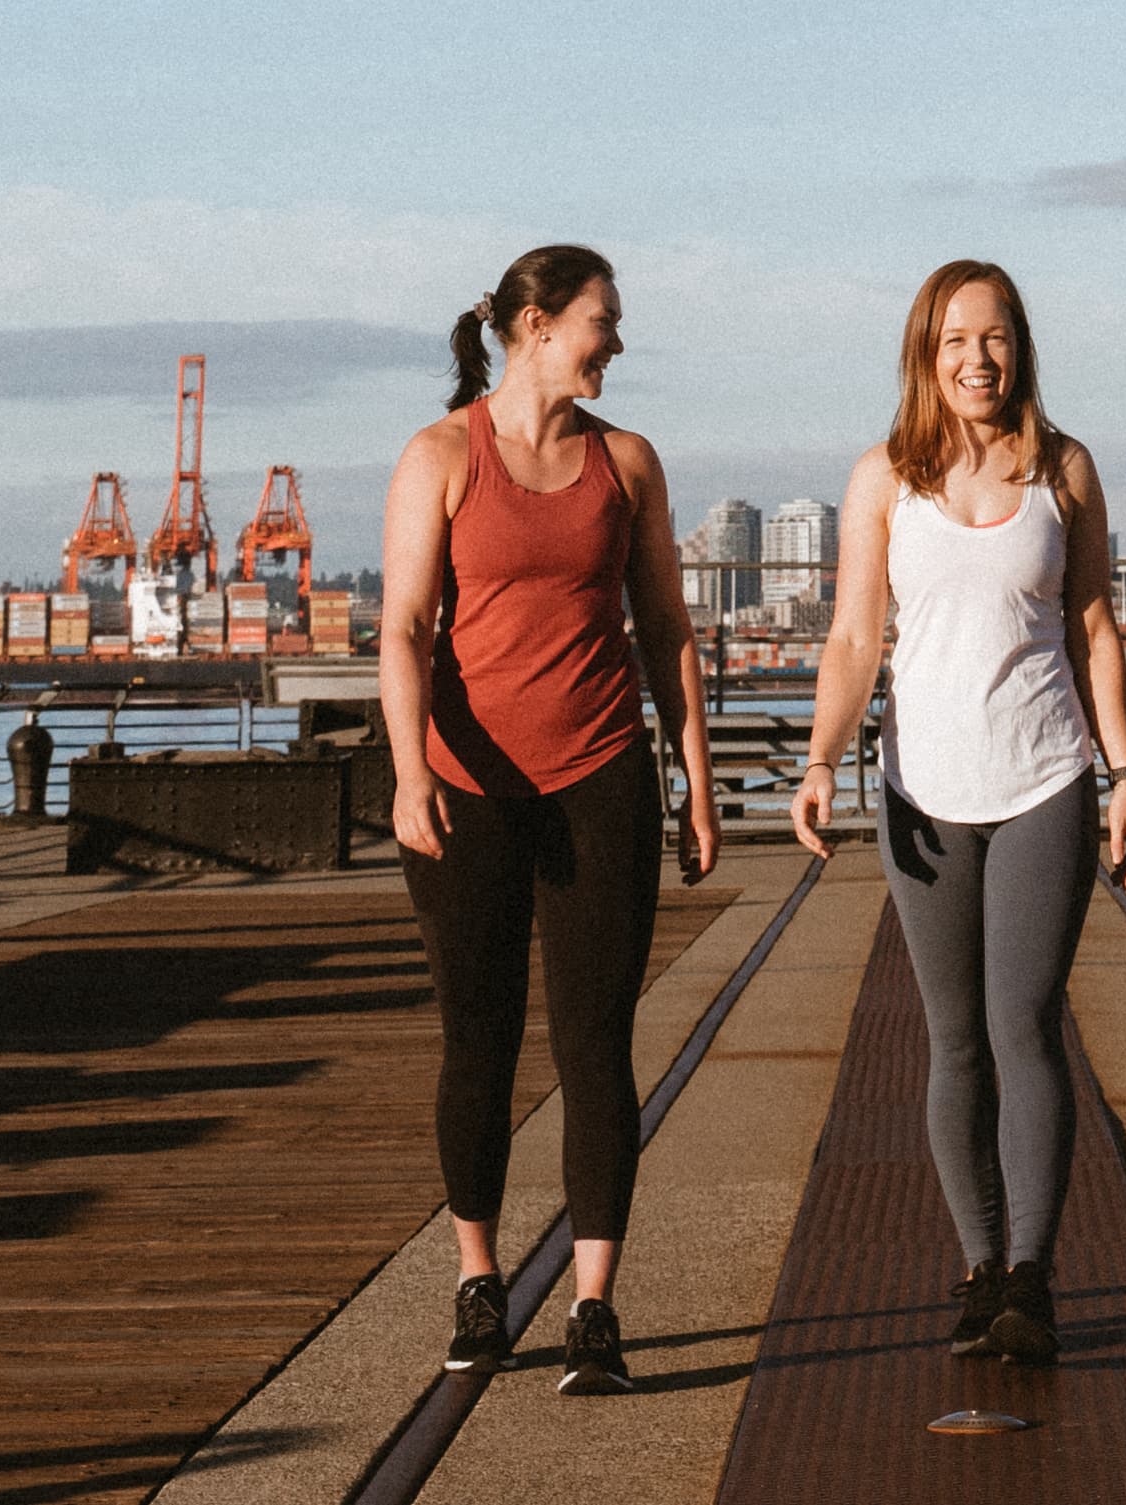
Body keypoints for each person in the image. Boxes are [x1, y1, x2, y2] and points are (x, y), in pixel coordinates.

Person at [791, 260, 1126, 1364]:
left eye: (991, 338)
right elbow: (855, 638)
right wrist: (818, 760)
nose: (975, 359)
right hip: (920, 791)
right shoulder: (881, 480)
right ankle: (977, 1265)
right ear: (924, 353)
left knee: (1023, 1024)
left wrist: (1124, 774)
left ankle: (1034, 1277)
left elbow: (1092, 626)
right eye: (953, 341)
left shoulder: (1064, 469)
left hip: (1044, 779)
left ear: (1019, 346)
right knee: (950, 1039)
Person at [379, 243, 720, 1396]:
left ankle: (591, 1304)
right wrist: (407, 773)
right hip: (464, 785)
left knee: (594, 1046)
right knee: (476, 1037)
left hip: (599, 776)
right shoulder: (438, 455)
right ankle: (479, 1278)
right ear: (534, 324)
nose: (614, 341)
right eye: (600, 321)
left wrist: (696, 778)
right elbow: (404, 628)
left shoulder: (626, 462)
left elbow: (666, 625)